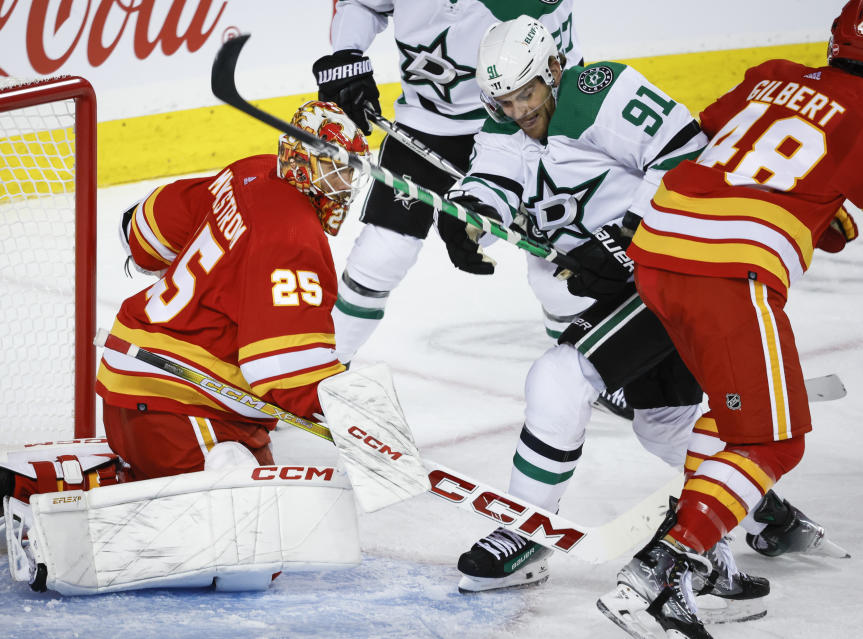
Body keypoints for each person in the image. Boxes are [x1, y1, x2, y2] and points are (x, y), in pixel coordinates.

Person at [439, 15, 835, 623]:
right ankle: (759, 515)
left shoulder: (598, 90)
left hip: (663, 274)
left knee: (560, 379)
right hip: (603, 295)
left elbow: (686, 154)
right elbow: (495, 179)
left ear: (552, 71)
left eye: (527, 94)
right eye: (504, 100)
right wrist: (467, 216)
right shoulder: (505, 123)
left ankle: (521, 531)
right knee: (665, 425)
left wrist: (628, 237)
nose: (518, 110)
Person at [0, 100, 369, 533]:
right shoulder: (296, 238)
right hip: (185, 406)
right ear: (302, 160)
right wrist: (355, 418)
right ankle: (69, 534)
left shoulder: (249, 172)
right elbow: (286, 369)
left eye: (351, 171)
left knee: (160, 477)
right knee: (253, 517)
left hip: (129, 383)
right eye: (337, 167)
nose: (346, 183)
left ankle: (11, 486)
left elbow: (144, 232)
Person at [597, 2, 863, 637]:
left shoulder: (771, 73)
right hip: (728, 273)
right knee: (775, 440)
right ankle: (661, 571)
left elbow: (706, 143)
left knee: (728, 410)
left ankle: (709, 567)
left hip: (659, 253)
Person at [312, 0, 583, 362]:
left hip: (521, 121)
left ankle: (592, 363)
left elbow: (555, 63)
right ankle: (319, 369)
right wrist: (347, 54)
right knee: (382, 252)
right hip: (427, 123)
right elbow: (362, 4)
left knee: (557, 265)